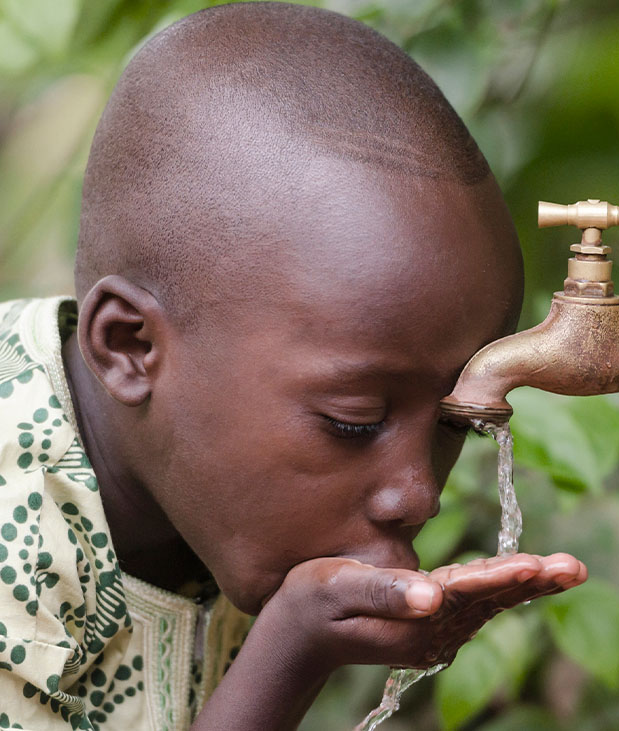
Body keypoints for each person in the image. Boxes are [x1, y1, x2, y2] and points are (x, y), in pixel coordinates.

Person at [0, 3, 587, 729]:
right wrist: (291, 654)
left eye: (451, 423)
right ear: (130, 347)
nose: (418, 496)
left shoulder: (202, 485)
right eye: (354, 421)